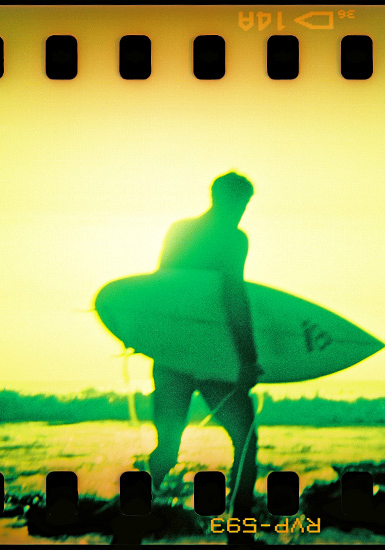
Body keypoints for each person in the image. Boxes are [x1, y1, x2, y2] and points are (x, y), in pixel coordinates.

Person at [150, 171, 262, 541]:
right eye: (240, 203)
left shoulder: (180, 231)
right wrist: (247, 358)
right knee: (241, 440)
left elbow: (159, 288)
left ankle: (135, 512)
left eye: (245, 205)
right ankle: (238, 525)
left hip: (178, 352)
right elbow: (234, 297)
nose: (242, 211)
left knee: (174, 445)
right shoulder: (233, 240)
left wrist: (149, 338)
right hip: (211, 355)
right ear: (221, 199)